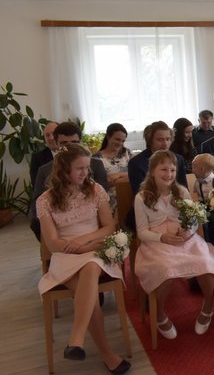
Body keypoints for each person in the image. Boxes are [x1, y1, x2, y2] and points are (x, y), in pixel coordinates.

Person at [36, 144, 131, 374]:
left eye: (87, 168)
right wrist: (77, 248)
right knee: (86, 293)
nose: (85, 173)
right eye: (80, 168)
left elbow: (108, 227)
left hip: (94, 250)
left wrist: (84, 242)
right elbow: (52, 244)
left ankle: (76, 339)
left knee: (90, 265)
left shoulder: (95, 190)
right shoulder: (45, 200)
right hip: (64, 256)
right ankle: (105, 353)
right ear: (64, 169)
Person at [134, 150, 214, 338]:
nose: (169, 174)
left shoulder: (181, 191)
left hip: (185, 239)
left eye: (172, 170)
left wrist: (187, 230)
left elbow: (194, 220)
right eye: (163, 169)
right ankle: (159, 314)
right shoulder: (141, 197)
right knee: (166, 269)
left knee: (205, 263)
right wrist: (162, 237)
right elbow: (141, 232)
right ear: (152, 171)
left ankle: (208, 306)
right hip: (157, 242)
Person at [30, 121, 109, 241]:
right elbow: (37, 202)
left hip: (92, 222)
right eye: (65, 144)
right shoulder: (44, 170)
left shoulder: (96, 164)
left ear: (80, 142)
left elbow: (102, 196)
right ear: (57, 144)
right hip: (57, 222)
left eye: (74, 142)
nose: (71, 147)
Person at [94, 123, 133, 214]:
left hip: (129, 193)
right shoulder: (96, 159)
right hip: (109, 200)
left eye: (123, 141)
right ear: (108, 137)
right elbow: (101, 185)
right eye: (117, 139)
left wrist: (117, 175)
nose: (120, 143)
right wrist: (127, 176)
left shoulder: (127, 153)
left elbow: (136, 173)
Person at [190, 153, 214, 245]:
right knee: (200, 220)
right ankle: (204, 241)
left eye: (194, 168)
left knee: (212, 220)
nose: (192, 170)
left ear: (202, 169)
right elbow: (195, 194)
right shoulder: (197, 182)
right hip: (202, 206)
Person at [29, 121, 58, 186]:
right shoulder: (37, 157)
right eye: (47, 135)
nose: (51, 138)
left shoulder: (71, 152)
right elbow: (36, 185)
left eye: (54, 133)